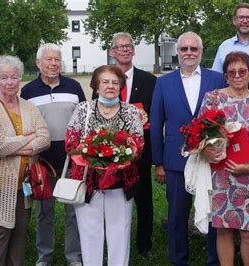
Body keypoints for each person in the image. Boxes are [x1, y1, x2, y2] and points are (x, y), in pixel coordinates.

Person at [150, 31, 227, 266]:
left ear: (201, 52)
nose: (189, 53)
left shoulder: (217, 79)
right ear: (178, 52)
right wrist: (159, 162)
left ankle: (214, 260)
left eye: (194, 49)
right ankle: (179, 260)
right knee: (176, 216)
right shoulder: (163, 82)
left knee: (214, 213)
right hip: (175, 159)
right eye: (184, 49)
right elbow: (156, 122)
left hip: (211, 158)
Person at [200, 51, 249, 266]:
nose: (236, 75)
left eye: (242, 71)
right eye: (231, 71)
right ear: (225, 74)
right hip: (221, 176)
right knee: (223, 230)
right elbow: (198, 136)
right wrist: (207, 150)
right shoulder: (213, 99)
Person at [0, 55, 50, 266]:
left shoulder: (28, 107)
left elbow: (45, 138)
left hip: (23, 184)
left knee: (20, 233)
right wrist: (27, 139)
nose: (9, 82)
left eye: (14, 77)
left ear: (20, 79)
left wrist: (13, 146)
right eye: (4, 77)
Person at [65, 65, 144, 266]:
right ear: (96, 86)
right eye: (105, 82)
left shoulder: (131, 111)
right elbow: (71, 142)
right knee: (90, 232)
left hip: (120, 183)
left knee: (120, 232)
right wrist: (91, 156)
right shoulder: (84, 109)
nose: (110, 86)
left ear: (121, 86)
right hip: (89, 182)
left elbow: (138, 144)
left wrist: (116, 159)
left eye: (115, 82)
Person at [20, 43, 85, 266]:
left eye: (57, 59)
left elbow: (84, 121)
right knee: (44, 213)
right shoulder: (28, 91)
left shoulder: (74, 86)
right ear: (38, 63)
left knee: (73, 212)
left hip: (71, 161)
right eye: (48, 59)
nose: (54, 63)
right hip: (42, 162)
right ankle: (44, 257)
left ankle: (73, 257)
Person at [95, 32, 156, 257]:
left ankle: (144, 244)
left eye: (128, 46)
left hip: (139, 152)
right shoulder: (103, 77)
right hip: (109, 153)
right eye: (119, 47)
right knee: (111, 198)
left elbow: (154, 115)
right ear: (112, 51)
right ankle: (110, 242)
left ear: (133, 50)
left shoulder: (148, 80)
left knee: (144, 200)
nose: (124, 50)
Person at [212, 3, 249, 79]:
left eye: (248, 17)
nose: (245, 21)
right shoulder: (224, 47)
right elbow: (216, 77)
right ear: (234, 20)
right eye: (241, 17)